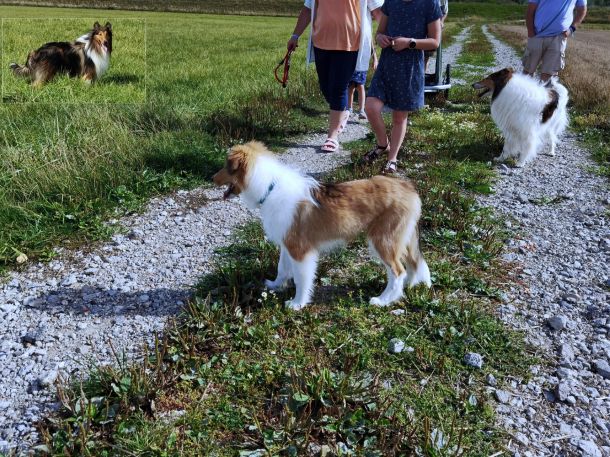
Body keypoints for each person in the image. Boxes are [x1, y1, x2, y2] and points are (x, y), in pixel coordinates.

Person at [287, 0, 383, 153]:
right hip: (321, 42)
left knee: (339, 88)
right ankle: (342, 110)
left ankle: (332, 136)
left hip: (350, 44)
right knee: (326, 88)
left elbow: (378, 11)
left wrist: (387, 34)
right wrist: (295, 35)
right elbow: (307, 10)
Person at [363, 0, 442, 174]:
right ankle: (383, 144)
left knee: (399, 117)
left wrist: (409, 42)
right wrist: (380, 38)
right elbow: (379, 33)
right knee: (370, 107)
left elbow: (435, 41)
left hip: (409, 67)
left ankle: (392, 158)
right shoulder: (391, 2)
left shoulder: (430, 4)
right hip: (387, 64)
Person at [523, 0, 587, 81]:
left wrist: (571, 29)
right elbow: (530, 9)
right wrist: (531, 32)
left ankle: (544, 89)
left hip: (559, 37)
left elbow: (582, 10)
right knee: (528, 72)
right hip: (537, 35)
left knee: (549, 76)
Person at [347, 43, 377, 120]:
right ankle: (349, 109)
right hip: (350, 59)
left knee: (360, 85)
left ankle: (361, 110)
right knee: (351, 86)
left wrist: (375, 58)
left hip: (362, 61)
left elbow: (371, 43)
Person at [424, 0, 448, 73]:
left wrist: (441, 21)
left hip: (433, 25)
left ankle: (423, 72)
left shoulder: (442, 1)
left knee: (427, 53)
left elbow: (444, 12)